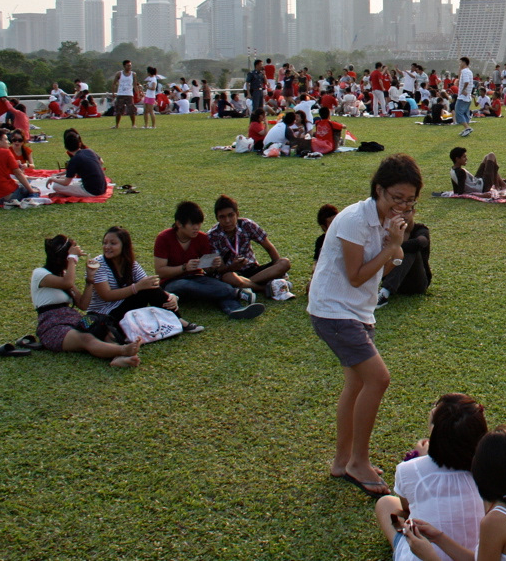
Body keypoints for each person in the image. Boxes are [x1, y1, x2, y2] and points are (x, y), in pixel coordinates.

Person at [309, 154, 422, 497]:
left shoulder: (390, 221)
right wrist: (392, 248)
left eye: (410, 201)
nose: (401, 207)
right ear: (378, 190)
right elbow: (357, 277)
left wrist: (393, 246)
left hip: (357, 311)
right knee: (379, 378)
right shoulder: (356, 220)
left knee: (356, 385)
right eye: (396, 198)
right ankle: (358, 461)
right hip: (334, 310)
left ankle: (342, 461)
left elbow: (382, 272)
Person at [375, 393, 489, 559]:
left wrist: (421, 460)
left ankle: (398, 547)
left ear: (435, 434)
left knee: (386, 503)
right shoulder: (490, 471)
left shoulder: (409, 470)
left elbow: (406, 508)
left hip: (424, 554)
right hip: (476, 554)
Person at [31, 235, 143, 367]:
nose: (76, 261)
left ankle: (117, 358)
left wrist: (90, 279)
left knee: (101, 328)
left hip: (73, 318)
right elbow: (68, 282)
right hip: (52, 326)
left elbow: (83, 305)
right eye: (73, 257)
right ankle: (123, 350)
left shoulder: (63, 278)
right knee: (85, 338)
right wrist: (72, 257)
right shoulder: (40, 274)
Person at [154, 201, 264, 320]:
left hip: (198, 277)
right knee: (183, 284)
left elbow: (208, 270)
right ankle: (236, 293)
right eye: (192, 224)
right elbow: (160, 271)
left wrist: (213, 265)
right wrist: (184, 267)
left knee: (219, 286)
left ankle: (236, 309)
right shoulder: (164, 238)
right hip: (172, 282)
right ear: (179, 224)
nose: (196, 228)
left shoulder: (201, 238)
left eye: (199, 223)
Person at [87, 226, 202, 333]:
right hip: (104, 313)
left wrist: (170, 296)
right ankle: (178, 321)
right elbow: (106, 295)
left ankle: (178, 319)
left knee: (149, 287)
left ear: (124, 246)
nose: (107, 247)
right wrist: (136, 287)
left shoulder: (131, 264)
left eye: (113, 243)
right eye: (105, 243)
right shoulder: (98, 264)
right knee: (145, 287)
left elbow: (150, 285)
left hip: (124, 307)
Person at [208, 195, 293, 298]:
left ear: (237, 214)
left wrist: (279, 270)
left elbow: (269, 247)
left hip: (253, 270)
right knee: (228, 277)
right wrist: (232, 267)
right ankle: (265, 288)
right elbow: (220, 270)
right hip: (231, 273)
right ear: (217, 218)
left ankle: (246, 285)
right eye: (222, 217)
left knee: (284, 263)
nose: (227, 221)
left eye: (231, 215)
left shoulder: (247, 225)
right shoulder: (212, 236)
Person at [0, 128, 37, 205]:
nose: (8, 142)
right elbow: (18, 174)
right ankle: (31, 200)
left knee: (25, 183)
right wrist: (31, 190)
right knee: (35, 189)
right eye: (6, 140)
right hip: (7, 196)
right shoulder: (6, 152)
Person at [47, 129, 107, 198]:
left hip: (91, 191)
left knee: (56, 186)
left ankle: (67, 193)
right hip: (102, 188)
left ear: (66, 147)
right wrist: (58, 175)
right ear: (79, 143)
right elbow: (100, 162)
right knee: (64, 179)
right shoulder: (89, 151)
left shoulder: (74, 160)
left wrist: (52, 179)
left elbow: (66, 183)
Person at [111, 59, 138, 129]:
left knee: (131, 110)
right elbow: (114, 83)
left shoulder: (133, 74)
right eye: (128, 66)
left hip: (129, 94)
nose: (129, 67)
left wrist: (137, 93)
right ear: (124, 66)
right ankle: (117, 125)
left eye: (130, 66)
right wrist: (113, 92)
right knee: (119, 110)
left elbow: (135, 85)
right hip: (120, 94)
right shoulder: (119, 73)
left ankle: (133, 124)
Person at [456, 56, 475, 136]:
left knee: (458, 112)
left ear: (464, 62)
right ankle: (466, 128)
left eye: (460, 62)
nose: (459, 64)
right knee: (464, 113)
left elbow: (466, 82)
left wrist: (463, 90)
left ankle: (467, 128)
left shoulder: (464, 71)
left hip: (463, 97)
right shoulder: (469, 71)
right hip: (468, 97)